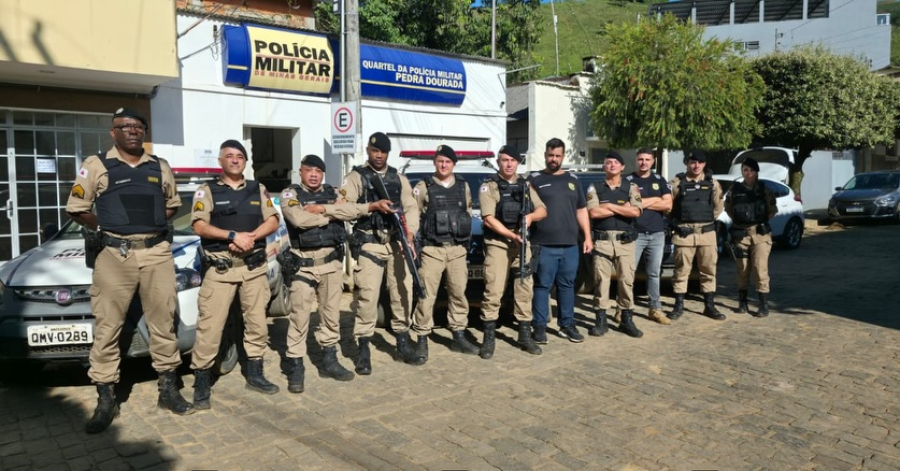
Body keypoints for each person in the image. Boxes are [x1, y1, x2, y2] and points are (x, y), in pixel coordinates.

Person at [67, 108, 194, 434]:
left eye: (138, 126)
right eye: (125, 127)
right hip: (114, 255)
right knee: (108, 326)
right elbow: (77, 207)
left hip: (156, 253)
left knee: (164, 322)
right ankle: (106, 398)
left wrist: (151, 222)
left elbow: (173, 204)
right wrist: (105, 227)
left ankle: (168, 389)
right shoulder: (95, 165)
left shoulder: (159, 166)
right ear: (114, 132)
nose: (133, 131)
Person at [278, 154, 394, 392]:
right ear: (300, 172)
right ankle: (296, 365)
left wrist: (324, 210)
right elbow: (298, 219)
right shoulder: (290, 194)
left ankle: (329, 360)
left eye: (318, 171)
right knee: (300, 317)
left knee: (331, 315)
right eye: (308, 170)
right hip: (303, 264)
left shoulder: (333, 192)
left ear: (323, 174)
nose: (313, 174)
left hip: (331, 264)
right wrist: (332, 214)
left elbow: (351, 211)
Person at [189, 140, 281, 409]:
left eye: (240, 156)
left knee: (257, 323)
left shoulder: (258, 188)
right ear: (220, 161)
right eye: (229, 156)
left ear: (245, 161)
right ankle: (202, 381)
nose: (235, 160)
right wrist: (231, 236)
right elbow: (199, 225)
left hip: (252, 268)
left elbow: (273, 220)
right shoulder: (206, 190)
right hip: (221, 270)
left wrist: (249, 238)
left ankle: (255, 374)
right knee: (210, 326)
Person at [338, 132, 420, 373]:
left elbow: (411, 208)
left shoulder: (399, 178)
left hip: (397, 243)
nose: (379, 155)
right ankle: (363, 348)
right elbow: (342, 208)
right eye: (375, 151)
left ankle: (402, 343)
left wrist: (411, 234)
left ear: (388, 153)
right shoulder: (356, 177)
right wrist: (371, 206)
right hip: (370, 243)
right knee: (367, 297)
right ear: (368, 150)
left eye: (383, 151)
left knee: (402, 293)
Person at [406, 145, 480, 364]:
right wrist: (412, 241)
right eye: (440, 161)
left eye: (448, 161)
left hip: (457, 250)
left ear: (454, 164)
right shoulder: (423, 186)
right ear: (435, 163)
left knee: (458, 293)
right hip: (432, 250)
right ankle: (421, 337)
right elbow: (414, 215)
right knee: (426, 296)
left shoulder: (463, 186)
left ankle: (458, 335)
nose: (444, 165)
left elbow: (466, 213)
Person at [479, 145, 547, 358]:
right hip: (499, 244)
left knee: (524, 289)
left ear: (518, 162)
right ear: (498, 162)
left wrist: (530, 218)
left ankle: (524, 335)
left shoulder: (526, 185)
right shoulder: (489, 186)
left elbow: (543, 209)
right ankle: (488, 338)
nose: (509, 164)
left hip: (522, 244)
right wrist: (512, 236)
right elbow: (489, 219)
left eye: (512, 160)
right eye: (504, 160)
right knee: (493, 291)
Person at [528, 138, 593, 344]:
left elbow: (581, 210)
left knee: (567, 286)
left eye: (557, 155)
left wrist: (588, 237)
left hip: (570, 244)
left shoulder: (573, 180)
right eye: (550, 155)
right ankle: (539, 326)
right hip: (544, 243)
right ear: (545, 155)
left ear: (563, 156)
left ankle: (567, 325)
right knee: (542, 286)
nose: (553, 159)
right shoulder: (535, 180)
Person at [586, 151, 643, 338]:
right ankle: (601, 320)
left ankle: (627, 319)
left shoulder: (631, 187)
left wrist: (608, 207)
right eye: (608, 162)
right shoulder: (595, 187)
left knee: (626, 281)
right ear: (603, 166)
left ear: (622, 167)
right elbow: (593, 213)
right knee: (601, 282)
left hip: (625, 242)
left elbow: (636, 211)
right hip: (602, 241)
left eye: (616, 163)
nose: (612, 165)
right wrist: (619, 208)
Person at [668, 150, 725, 321]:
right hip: (684, 235)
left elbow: (718, 207)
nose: (696, 165)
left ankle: (709, 305)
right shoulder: (677, 183)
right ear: (687, 163)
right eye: (693, 162)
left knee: (708, 270)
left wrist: (703, 221)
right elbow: (668, 206)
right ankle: (678, 305)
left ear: (704, 164)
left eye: (700, 162)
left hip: (706, 234)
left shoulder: (713, 184)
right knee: (681, 271)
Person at [724, 157, 777, 317]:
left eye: (751, 170)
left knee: (760, 268)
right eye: (745, 170)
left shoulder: (764, 190)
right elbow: (729, 209)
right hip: (741, 235)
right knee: (742, 269)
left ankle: (763, 304)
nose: (748, 173)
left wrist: (756, 221)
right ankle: (743, 302)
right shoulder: (735, 190)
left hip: (760, 234)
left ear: (756, 172)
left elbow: (772, 211)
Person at [625, 148, 673, 325]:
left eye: (647, 159)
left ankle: (655, 309)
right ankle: (623, 308)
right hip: (635, 234)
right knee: (627, 274)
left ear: (653, 161)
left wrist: (643, 203)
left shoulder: (659, 180)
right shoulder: (629, 180)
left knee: (654, 273)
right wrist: (655, 200)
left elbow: (668, 205)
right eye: (640, 159)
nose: (643, 162)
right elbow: (630, 205)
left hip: (656, 234)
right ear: (636, 161)